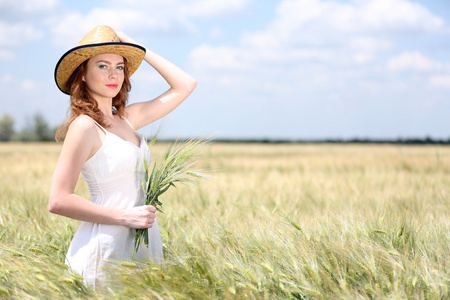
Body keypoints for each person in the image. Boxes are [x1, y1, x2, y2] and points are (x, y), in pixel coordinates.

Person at [48, 25, 196, 288]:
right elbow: (58, 200)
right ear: (82, 74)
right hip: (105, 248)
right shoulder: (84, 126)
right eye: (102, 66)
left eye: (120, 66)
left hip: (143, 240)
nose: (113, 74)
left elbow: (186, 84)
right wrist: (125, 217)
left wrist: (137, 47)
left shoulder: (128, 119)